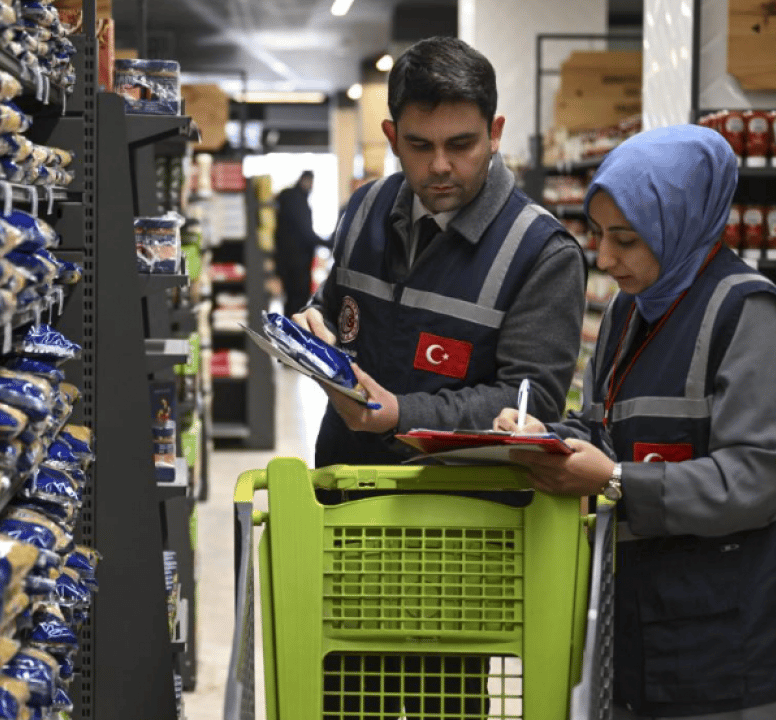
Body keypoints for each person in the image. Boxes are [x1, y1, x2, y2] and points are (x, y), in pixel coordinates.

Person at [493, 124, 776, 720]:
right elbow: (604, 427)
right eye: (599, 234)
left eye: (626, 239)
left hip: (744, 648)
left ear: (681, 223)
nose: (605, 258)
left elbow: (754, 478)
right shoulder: (628, 313)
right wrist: (549, 440)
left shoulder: (749, 315)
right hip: (656, 630)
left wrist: (614, 481)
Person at [291, 35, 586, 719]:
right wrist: (312, 325)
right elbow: (335, 304)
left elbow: (530, 400)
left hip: (454, 539)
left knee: (441, 700)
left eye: (462, 143)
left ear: (495, 132)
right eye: (420, 146)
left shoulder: (541, 252)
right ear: (391, 135)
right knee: (342, 695)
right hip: (343, 512)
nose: (441, 165)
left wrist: (403, 414)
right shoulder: (365, 208)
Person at [273, 170, 328, 316]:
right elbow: (305, 232)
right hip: (297, 261)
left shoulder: (289, 198)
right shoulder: (297, 200)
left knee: (291, 300)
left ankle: (289, 327)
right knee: (298, 301)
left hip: (288, 260)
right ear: (305, 180)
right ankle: (294, 328)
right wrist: (329, 243)